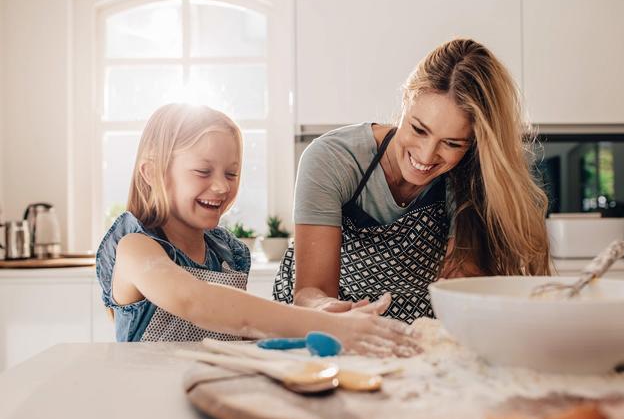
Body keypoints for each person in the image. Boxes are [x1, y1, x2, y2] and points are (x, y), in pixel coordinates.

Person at [95, 103, 421, 356]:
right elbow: (195, 301)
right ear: (152, 172)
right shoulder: (134, 248)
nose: (221, 186)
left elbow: (240, 329)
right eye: (203, 171)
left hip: (210, 397)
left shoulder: (227, 255)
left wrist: (321, 317)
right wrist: (330, 326)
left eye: (232, 173)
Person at [273, 38, 551, 323]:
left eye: (452, 143)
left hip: (418, 325)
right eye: (419, 129)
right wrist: (329, 311)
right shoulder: (333, 159)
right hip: (322, 322)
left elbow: (460, 284)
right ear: (406, 99)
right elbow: (311, 290)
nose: (427, 155)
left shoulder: (470, 178)